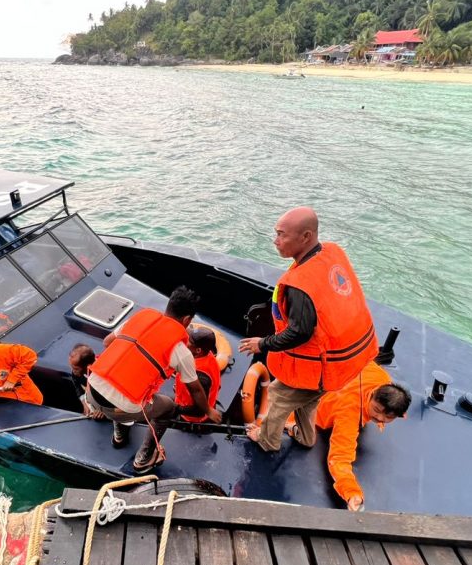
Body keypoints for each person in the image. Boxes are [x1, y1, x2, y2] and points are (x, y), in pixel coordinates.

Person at [238, 206, 377, 452]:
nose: (276, 241)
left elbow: (299, 332)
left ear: (306, 237)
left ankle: (267, 441)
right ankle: (305, 436)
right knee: (308, 400)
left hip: (321, 367)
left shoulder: (299, 286)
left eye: (282, 235)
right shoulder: (332, 252)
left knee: (279, 395)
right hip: (346, 361)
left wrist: (262, 343)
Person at [86, 286, 223, 473]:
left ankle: (119, 436)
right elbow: (196, 390)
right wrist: (208, 410)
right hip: (120, 408)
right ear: (187, 320)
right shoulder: (181, 351)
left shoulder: (138, 318)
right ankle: (144, 458)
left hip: (92, 389)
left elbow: (107, 342)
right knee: (167, 407)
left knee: (122, 385)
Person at [314, 361, 411, 511]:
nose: (380, 418)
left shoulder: (380, 376)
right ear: (372, 395)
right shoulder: (349, 412)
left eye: (388, 417)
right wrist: (351, 492)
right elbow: (340, 458)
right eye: (376, 410)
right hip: (315, 408)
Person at [173, 326, 221, 422]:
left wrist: (174, 409)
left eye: (189, 342)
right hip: (189, 396)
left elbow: (199, 411)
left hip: (191, 418)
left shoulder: (200, 376)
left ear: (198, 350)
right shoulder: (208, 355)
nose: (185, 342)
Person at [69, 343, 103, 419]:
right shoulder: (76, 373)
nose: (73, 371)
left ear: (88, 366)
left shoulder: (104, 376)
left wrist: (103, 410)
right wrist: (85, 404)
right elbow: (78, 388)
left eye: (76, 369)